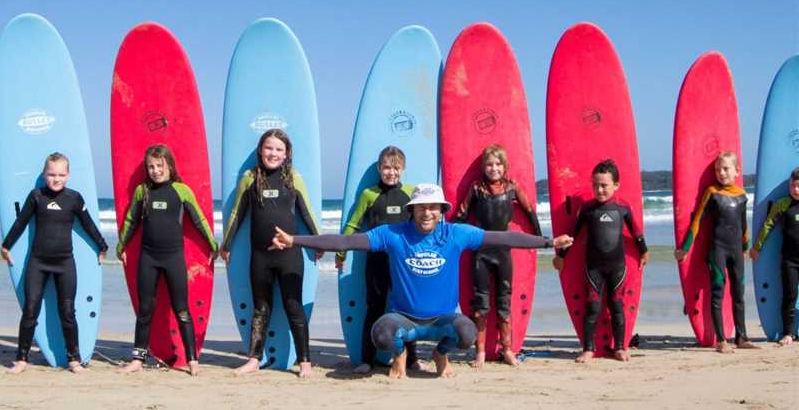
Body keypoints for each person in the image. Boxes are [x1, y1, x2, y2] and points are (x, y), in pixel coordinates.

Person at [270, 183, 573, 379]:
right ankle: (400, 354)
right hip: (405, 319)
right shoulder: (392, 234)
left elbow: (503, 236)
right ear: (411, 209)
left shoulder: (455, 234)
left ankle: (441, 354)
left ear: (442, 211)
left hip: (443, 319)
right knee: (382, 334)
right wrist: (295, 239)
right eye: (421, 207)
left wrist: (548, 242)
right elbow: (344, 241)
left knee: (466, 333)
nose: (427, 212)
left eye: (433, 207)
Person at [220, 128, 321, 379]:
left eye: (279, 149)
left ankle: (305, 361)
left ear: (286, 154)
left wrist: (318, 242)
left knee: (293, 306)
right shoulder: (250, 177)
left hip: (289, 255)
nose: (273, 153)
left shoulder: (293, 179)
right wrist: (227, 244)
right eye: (269, 148)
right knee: (261, 308)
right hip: (261, 256)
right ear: (260, 150)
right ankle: (254, 359)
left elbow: (307, 212)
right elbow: (237, 214)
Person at [1, 152, 107, 374]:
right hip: (38, 262)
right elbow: (21, 222)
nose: (56, 179)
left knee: (67, 311)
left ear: (68, 175)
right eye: (51, 174)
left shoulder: (74, 198)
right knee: (30, 309)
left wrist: (102, 246)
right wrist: (6, 245)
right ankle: (21, 358)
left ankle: (74, 360)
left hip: (64, 262)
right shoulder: (36, 196)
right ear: (44, 174)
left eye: (60, 174)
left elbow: (87, 224)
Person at [117, 144, 216, 376]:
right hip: (148, 257)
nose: (155, 170)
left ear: (169, 165)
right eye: (151, 166)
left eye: (159, 165)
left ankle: (192, 360)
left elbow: (199, 219)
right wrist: (121, 246)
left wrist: (213, 245)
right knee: (145, 310)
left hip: (173, 258)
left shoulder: (182, 191)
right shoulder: (143, 191)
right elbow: (131, 220)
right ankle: (138, 360)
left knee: (182, 310)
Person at [552, 159, 649, 363]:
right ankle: (588, 348)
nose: (599, 189)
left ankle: (621, 347)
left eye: (604, 185)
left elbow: (637, 233)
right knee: (593, 308)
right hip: (593, 267)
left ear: (616, 185)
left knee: (617, 306)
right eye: (595, 185)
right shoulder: (587, 210)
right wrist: (561, 257)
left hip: (617, 267)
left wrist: (644, 252)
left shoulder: (623, 208)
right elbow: (572, 235)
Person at [453, 143, 541, 367]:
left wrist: (539, 239)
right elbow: (461, 216)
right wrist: (448, 239)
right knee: (481, 305)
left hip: (503, 252)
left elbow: (529, 210)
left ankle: (508, 350)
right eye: (489, 164)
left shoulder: (512, 187)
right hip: (480, 253)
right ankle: (481, 352)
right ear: (484, 167)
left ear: (505, 166)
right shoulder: (476, 188)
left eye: (497, 164)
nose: (493, 168)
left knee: (503, 303)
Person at [336, 146, 419, 373]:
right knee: (374, 307)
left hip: (403, 264)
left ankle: (412, 358)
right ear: (379, 168)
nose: (391, 172)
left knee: (406, 310)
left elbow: (420, 226)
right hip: (376, 262)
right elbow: (353, 224)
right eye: (386, 167)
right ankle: (366, 360)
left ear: (403, 169)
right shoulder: (369, 194)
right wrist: (341, 251)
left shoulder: (410, 193)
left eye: (396, 168)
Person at [675, 151, 760, 353]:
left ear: (737, 171)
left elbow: (743, 225)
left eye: (725, 169)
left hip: (737, 251)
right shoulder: (712, 192)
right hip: (718, 250)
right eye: (717, 169)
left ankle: (741, 337)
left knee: (739, 293)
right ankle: (721, 340)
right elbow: (697, 221)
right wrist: (685, 248)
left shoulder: (741, 196)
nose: (720, 173)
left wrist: (747, 247)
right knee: (717, 293)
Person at [750, 166, 799, 346]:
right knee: (789, 295)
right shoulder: (782, 204)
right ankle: (788, 333)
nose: (795, 189)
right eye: (793, 186)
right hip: (789, 260)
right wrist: (756, 247)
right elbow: (767, 225)